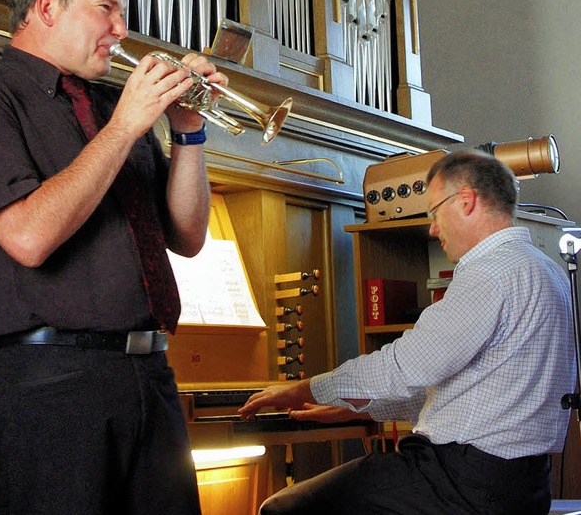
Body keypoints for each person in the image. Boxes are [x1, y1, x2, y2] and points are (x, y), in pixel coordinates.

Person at [0, 0, 228, 514]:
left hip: (149, 378)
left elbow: (188, 237)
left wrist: (190, 131)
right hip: (49, 390)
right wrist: (125, 126)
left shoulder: (109, 108)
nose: (121, 30)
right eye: (107, 8)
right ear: (47, 6)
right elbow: (26, 237)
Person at [240, 150, 576, 515]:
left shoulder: (489, 273)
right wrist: (357, 407)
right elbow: (474, 394)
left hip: (459, 483)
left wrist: (304, 388)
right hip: (523, 486)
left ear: (466, 201)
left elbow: (402, 369)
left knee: (283, 508)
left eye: (434, 211)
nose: (433, 227)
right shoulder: (548, 270)